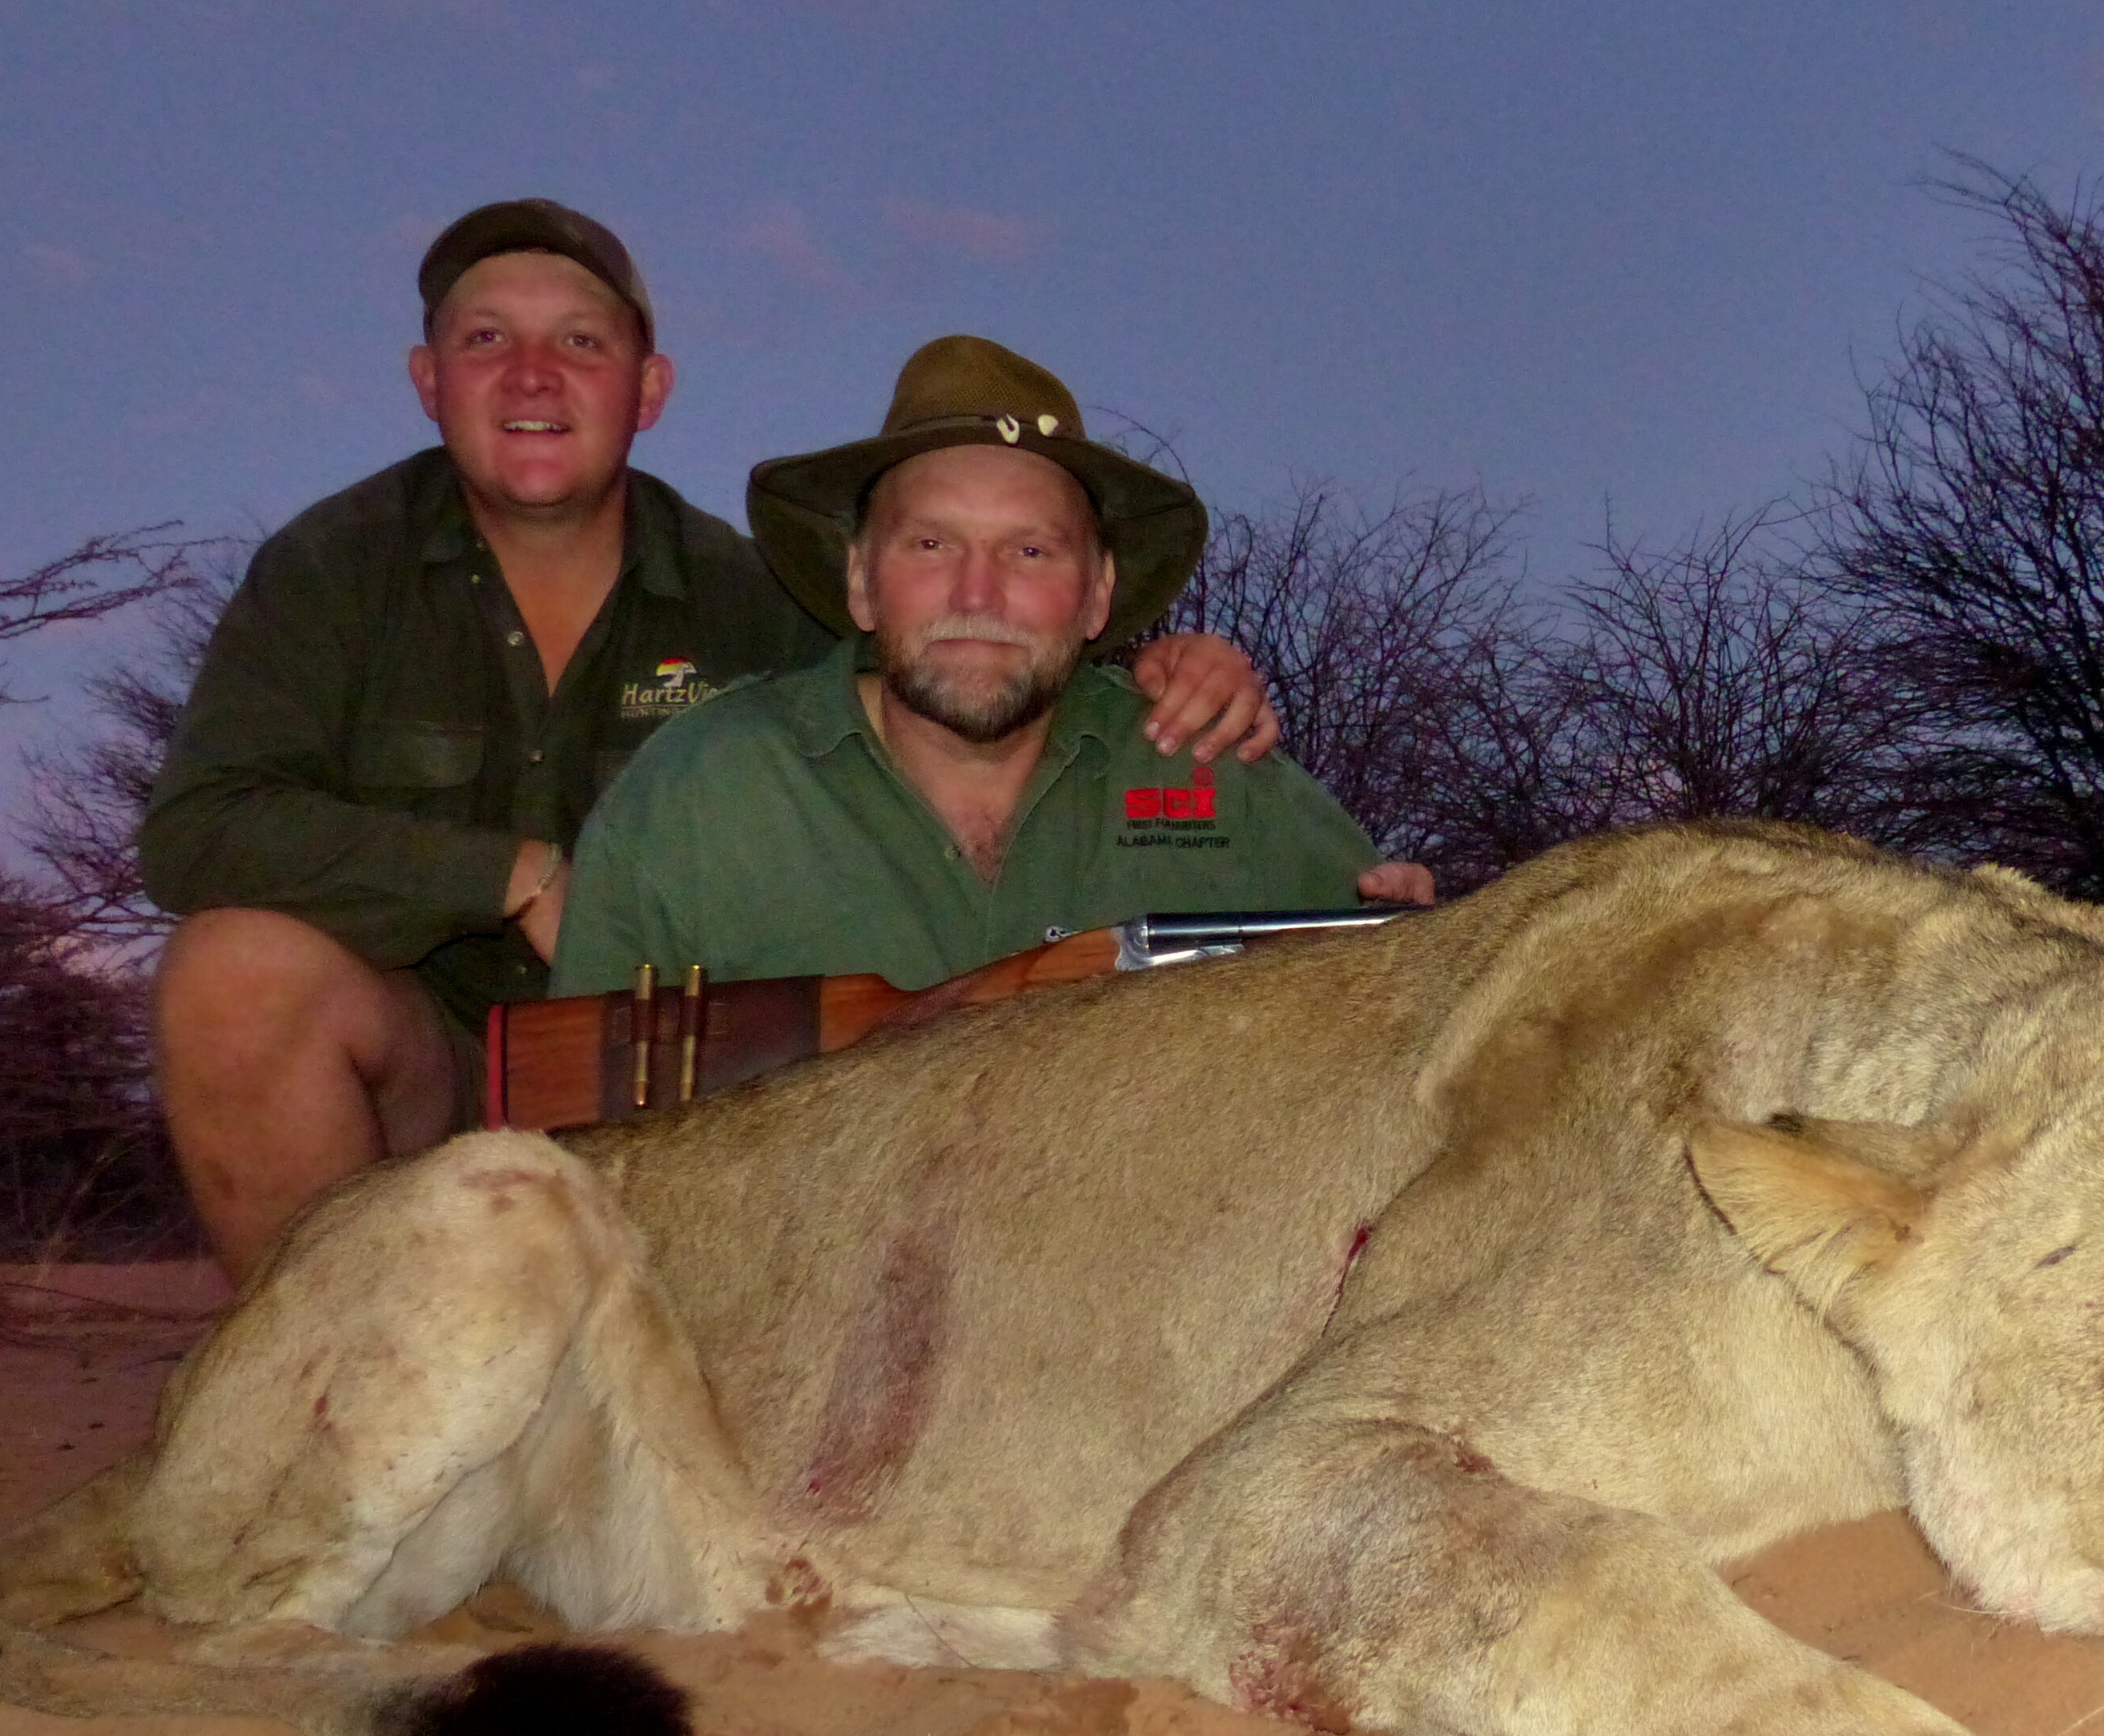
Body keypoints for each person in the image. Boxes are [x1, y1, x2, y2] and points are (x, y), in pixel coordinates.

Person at [143, 205, 1275, 1283]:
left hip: (683, 1084)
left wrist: (1158, 671)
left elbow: (957, 667)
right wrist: (510, 877)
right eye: (487, 338)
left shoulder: (754, 598)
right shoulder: (329, 570)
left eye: (580, 342)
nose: (532, 374)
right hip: (422, 1066)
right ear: (428, 380)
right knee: (235, 980)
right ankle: (325, 1401)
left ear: (649, 389)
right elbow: (198, 830)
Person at [553, 333, 1434, 999]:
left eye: (1032, 552)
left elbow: (1398, 1004)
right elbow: (584, 1141)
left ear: (1097, 596)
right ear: (861, 582)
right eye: (931, 544)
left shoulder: (1220, 776)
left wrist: (1428, 954)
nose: (978, 594)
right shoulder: (697, 794)